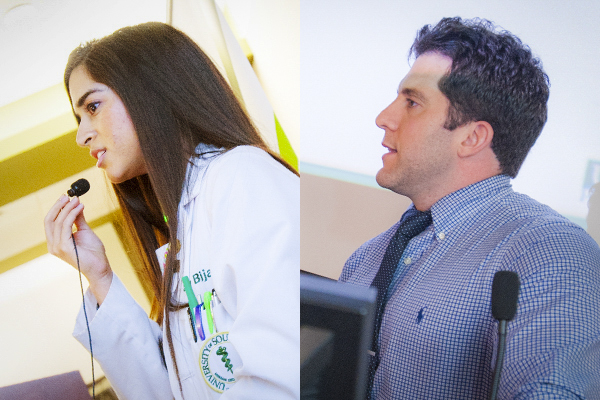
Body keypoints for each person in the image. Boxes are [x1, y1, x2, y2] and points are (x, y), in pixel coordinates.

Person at [340, 17, 600, 399]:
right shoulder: (367, 259)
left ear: (473, 137)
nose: (384, 118)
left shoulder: (553, 253)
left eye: (412, 102)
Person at [44, 22, 299, 399]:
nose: (82, 136)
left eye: (93, 107)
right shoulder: (181, 225)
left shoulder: (241, 176)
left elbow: (285, 371)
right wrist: (99, 276)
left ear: (150, 91)